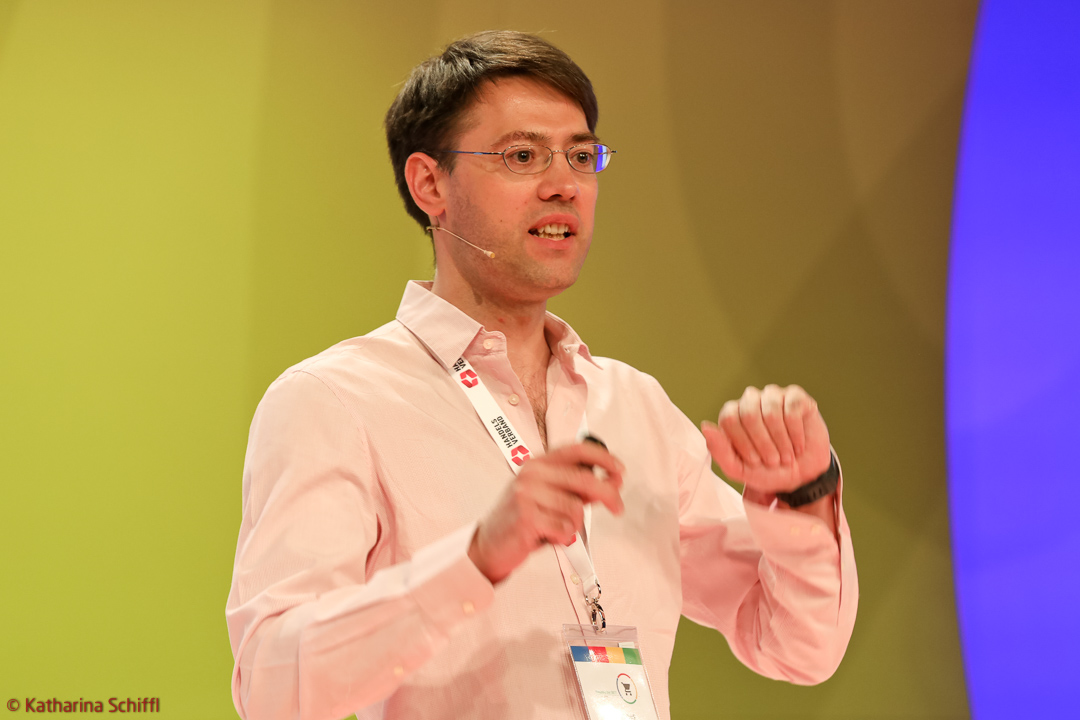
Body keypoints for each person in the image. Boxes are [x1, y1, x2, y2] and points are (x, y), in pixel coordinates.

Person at [226, 30, 857, 720]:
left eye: (581, 157)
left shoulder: (634, 405)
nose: (564, 185)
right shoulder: (334, 400)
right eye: (522, 156)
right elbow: (271, 688)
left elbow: (798, 648)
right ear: (430, 183)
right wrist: (474, 560)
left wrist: (802, 496)